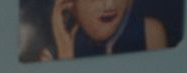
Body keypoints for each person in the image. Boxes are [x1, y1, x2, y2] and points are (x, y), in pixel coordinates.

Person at [39, 0, 168, 60]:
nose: (109, 5)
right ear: (69, 4)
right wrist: (66, 59)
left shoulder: (149, 32)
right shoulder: (63, 47)